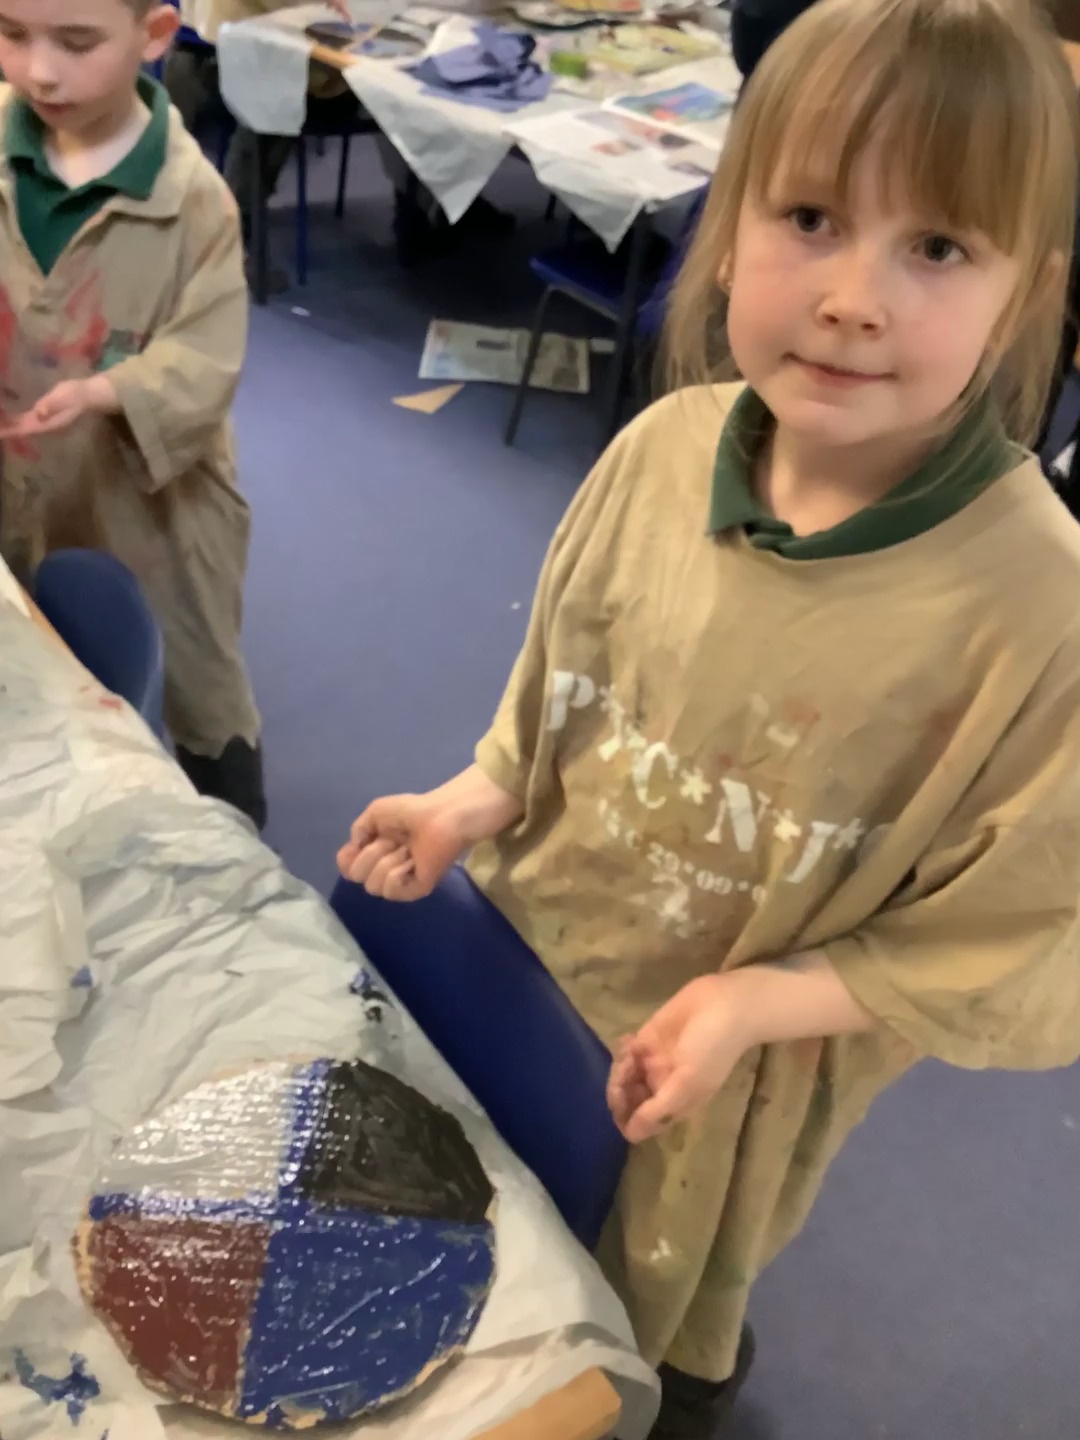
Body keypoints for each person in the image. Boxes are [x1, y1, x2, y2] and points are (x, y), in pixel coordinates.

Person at [337, 0, 1080, 1434]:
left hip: (720, 1088)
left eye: (936, 247)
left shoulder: (1039, 609)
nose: (853, 298)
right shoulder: (661, 450)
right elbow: (564, 698)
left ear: (1025, 292)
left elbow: (1013, 943)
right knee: (484, 1260)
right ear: (727, 227)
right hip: (527, 956)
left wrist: (754, 1003)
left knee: (643, 1329)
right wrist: (466, 801)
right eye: (810, 217)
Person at [0, 0, 266, 830]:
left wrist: (108, 392)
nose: (40, 71)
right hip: (19, 468)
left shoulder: (195, 203)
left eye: (77, 42)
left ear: (153, 36)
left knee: (190, 670)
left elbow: (208, 356)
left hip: (152, 499)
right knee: (41, 661)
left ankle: (232, 817)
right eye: (10, 33)